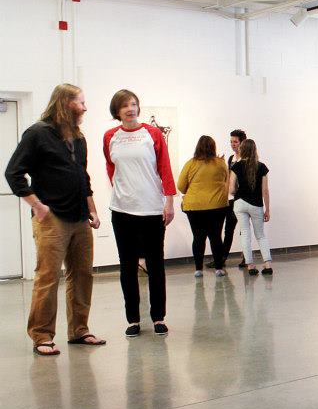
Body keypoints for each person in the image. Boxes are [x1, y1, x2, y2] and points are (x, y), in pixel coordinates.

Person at [5, 84, 106, 355]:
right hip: (52, 218)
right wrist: (37, 205)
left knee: (82, 275)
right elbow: (13, 173)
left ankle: (80, 330)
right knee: (48, 277)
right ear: (65, 103)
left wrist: (92, 209)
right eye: (81, 102)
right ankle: (42, 336)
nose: (85, 107)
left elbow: (83, 177)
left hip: (80, 216)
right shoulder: (37, 134)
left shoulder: (79, 138)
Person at [104, 89, 176, 337]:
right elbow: (111, 168)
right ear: (117, 111)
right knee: (127, 266)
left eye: (133, 104)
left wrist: (169, 201)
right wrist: (123, 190)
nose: (130, 109)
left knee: (155, 265)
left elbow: (165, 167)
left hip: (151, 209)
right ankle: (133, 319)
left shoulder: (152, 134)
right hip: (122, 210)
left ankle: (158, 317)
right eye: (125, 105)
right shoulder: (110, 137)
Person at [178, 135, 229, 278]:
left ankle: (198, 269)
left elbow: (181, 186)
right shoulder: (220, 164)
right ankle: (218, 268)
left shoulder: (190, 164)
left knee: (198, 238)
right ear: (213, 147)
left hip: (195, 207)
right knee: (216, 237)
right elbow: (226, 180)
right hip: (217, 205)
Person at [230, 139, 272, 275]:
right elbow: (265, 190)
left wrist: (238, 193)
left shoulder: (236, 166)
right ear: (254, 150)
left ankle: (250, 266)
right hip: (256, 204)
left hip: (240, 203)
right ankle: (267, 265)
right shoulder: (262, 167)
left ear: (242, 150)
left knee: (245, 233)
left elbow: (231, 189)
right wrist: (267, 209)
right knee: (260, 235)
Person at [208, 128, 246, 268]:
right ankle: (221, 258)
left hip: (243, 198)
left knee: (244, 230)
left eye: (235, 142)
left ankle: (246, 258)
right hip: (231, 199)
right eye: (231, 142)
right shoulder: (231, 159)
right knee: (228, 230)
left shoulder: (246, 159)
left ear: (242, 143)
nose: (232, 144)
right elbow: (228, 178)